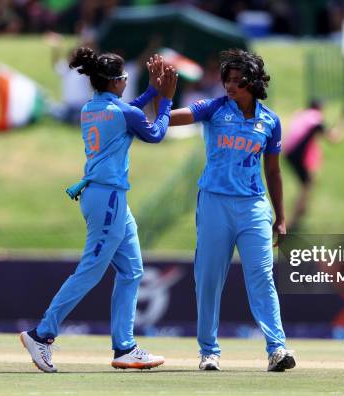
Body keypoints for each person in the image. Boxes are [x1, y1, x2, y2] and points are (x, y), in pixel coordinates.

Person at [20, 49, 178, 372]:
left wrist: (151, 91)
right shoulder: (122, 113)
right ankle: (42, 334)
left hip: (105, 197)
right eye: (125, 79)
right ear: (117, 82)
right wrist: (165, 100)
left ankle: (125, 348)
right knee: (91, 270)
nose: (126, 84)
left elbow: (124, 113)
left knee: (132, 270)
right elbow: (156, 132)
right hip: (108, 200)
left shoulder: (89, 109)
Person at [168, 49, 295, 372]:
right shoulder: (215, 109)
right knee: (208, 279)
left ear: (253, 82)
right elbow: (177, 117)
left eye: (238, 81)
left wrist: (280, 217)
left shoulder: (269, 121)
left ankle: (277, 349)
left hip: (253, 206)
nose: (230, 86)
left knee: (262, 277)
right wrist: (155, 107)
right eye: (227, 79)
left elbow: (274, 172)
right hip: (214, 203)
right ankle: (209, 351)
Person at [283, 98, 344, 231]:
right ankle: (292, 221)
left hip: (288, 152)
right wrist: (343, 120)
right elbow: (334, 139)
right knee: (306, 185)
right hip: (296, 155)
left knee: (308, 183)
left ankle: (299, 212)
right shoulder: (316, 119)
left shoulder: (302, 114)